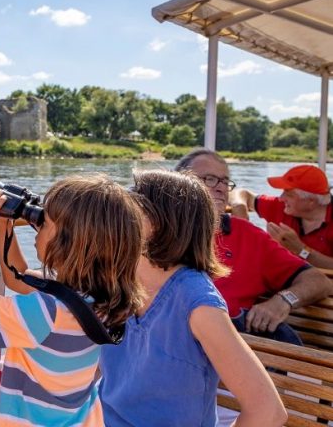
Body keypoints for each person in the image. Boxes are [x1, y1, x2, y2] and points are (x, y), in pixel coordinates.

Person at [0, 175, 144, 427]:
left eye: (45, 222)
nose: (37, 223)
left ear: (69, 242)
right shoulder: (98, 297)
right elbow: (17, 277)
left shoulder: (46, 311)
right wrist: (6, 218)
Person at [98, 169, 286, 427]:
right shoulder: (120, 281)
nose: (119, 210)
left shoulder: (196, 301)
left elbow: (268, 410)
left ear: (163, 223)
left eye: (132, 203)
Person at [177, 149, 332, 343]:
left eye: (225, 181)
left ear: (310, 201)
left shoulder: (248, 236)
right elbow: (244, 194)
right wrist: (240, 208)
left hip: (225, 349)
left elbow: (320, 281)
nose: (222, 188)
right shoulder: (152, 230)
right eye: (210, 179)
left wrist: (284, 300)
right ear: (177, 183)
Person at [231, 164, 333, 269]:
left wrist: (301, 250)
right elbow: (241, 193)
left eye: (289, 194)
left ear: (311, 201)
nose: (281, 198)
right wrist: (239, 207)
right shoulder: (282, 207)